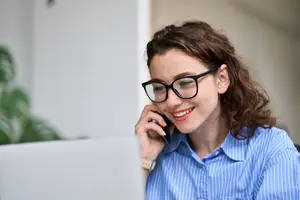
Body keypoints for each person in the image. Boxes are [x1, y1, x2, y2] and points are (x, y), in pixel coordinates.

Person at [135, 20, 300, 199]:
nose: (171, 101)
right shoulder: (153, 156)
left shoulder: (271, 150)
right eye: (159, 87)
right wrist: (142, 160)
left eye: (185, 83)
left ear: (221, 79)